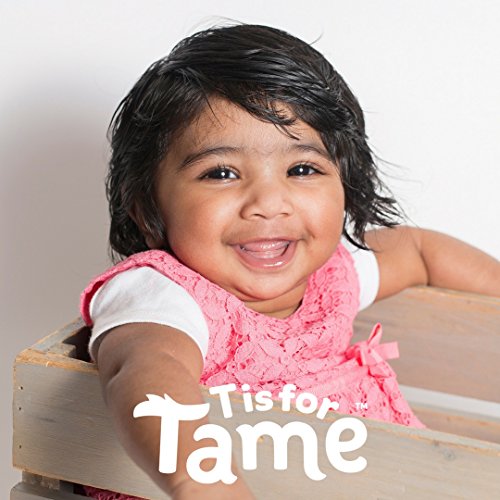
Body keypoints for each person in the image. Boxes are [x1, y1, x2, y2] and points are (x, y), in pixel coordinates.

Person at [79, 24, 500, 499]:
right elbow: (149, 376)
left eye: (302, 168)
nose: (269, 203)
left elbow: (419, 252)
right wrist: (203, 484)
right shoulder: (164, 295)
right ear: (146, 208)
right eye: (221, 173)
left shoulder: (332, 273)